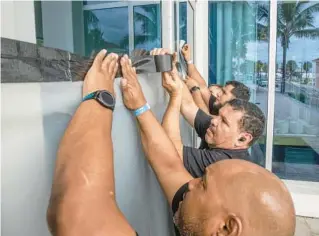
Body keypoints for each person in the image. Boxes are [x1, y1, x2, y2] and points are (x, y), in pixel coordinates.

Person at [46, 50, 295, 236]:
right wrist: (141, 105)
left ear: (226, 228)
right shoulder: (213, 204)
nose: (190, 183)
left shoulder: (226, 164)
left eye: (202, 183)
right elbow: (167, 164)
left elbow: (75, 215)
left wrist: (99, 98)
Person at [151, 48, 265, 178]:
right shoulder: (221, 131)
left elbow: (170, 149)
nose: (213, 120)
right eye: (219, 116)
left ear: (242, 139)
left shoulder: (225, 163)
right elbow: (189, 106)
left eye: (224, 121)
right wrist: (171, 69)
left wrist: (175, 94)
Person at [181, 44, 250, 115]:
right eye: (222, 90)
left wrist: (195, 90)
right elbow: (203, 87)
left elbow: (206, 119)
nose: (218, 93)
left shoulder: (229, 119)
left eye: (224, 93)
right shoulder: (218, 103)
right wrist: (188, 60)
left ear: (234, 102)